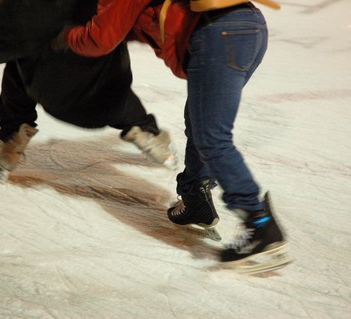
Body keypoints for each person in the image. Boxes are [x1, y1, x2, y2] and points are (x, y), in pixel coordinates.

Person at [54, 0, 290, 272]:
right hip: (247, 28)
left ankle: (259, 224)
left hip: (218, 33)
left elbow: (101, 38)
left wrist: (64, 38)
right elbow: (131, 23)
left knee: (212, 139)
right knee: (200, 123)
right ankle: (195, 198)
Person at [0, 0, 176, 183]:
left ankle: (10, 143)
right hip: (111, 93)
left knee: (21, 56)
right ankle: (145, 130)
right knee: (102, 51)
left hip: (61, 95)